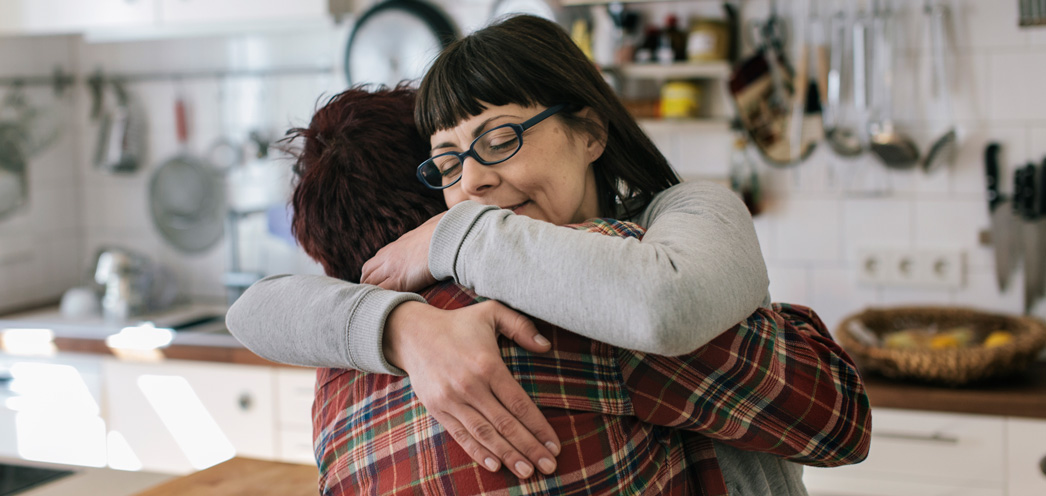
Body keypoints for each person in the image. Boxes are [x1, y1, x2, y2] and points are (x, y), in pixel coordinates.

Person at [228, 14, 871, 493]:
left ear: (590, 131)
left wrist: (459, 234)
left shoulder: (683, 215)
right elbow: (252, 311)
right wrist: (404, 327)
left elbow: (663, 304)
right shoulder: (465, 301)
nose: (471, 182)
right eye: (448, 162)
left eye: (500, 139)